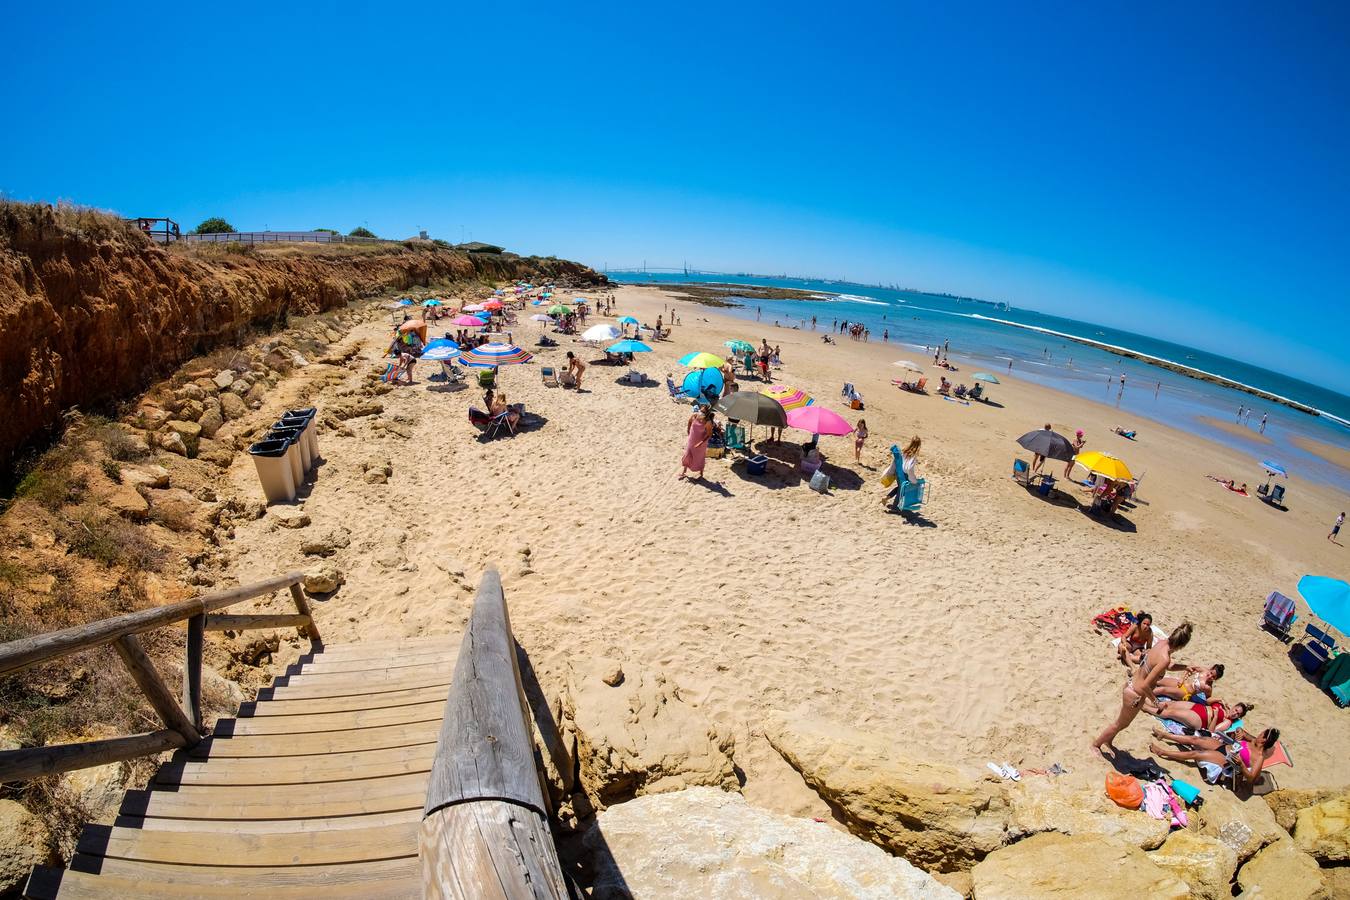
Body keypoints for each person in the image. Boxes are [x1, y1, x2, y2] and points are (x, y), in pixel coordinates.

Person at [1091, 622, 1193, 758]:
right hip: (1135, 694)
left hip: (1131, 685)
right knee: (1120, 723)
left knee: (1122, 723)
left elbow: (1166, 665)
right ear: (1182, 645)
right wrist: (1156, 702)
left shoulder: (1161, 643)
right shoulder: (1165, 657)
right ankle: (1096, 744)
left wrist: (1185, 667)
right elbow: (1146, 685)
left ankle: (1108, 741)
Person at [1150, 726, 1280, 787]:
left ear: (1263, 740)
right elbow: (1242, 731)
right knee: (1195, 739)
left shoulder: (1259, 757)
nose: (1258, 735)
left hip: (1226, 760)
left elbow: (1252, 778)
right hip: (1224, 746)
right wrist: (1239, 731)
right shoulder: (1253, 740)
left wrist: (1241, 765)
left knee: (1195, 754)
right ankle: (1164, 735)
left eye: (1261, 734)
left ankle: (1163, 752)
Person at [1147, 698, 1250, 733]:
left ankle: (1145, 707)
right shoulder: (1224, 707)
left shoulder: (1227, 722)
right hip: (1198, 707)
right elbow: (1207, 701)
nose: (1235, 713)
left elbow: (1211, 731)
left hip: (1200, 719)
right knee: (1171, 704)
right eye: (1236, 710)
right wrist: (1218, 699)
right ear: (1234, 706)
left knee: (1172, 713)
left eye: (1238, 714)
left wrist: (1215, 716)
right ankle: (1148, 702)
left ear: (1238, 717)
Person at [1155, 664, 1224, 702]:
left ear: (1216, 679)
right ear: (1210, 669)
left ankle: (1145, 692)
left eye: (1213, 677)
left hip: (1184, 693)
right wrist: (1182, 678)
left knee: (1163, 690)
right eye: (1211, 673)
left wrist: (1218, 700)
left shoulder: (1208, 687)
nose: (1210, 676)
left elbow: (1208, 699)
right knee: (1158, 681)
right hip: (1181, 683)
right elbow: (1189, 668)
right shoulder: (1203, 670)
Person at [679, 405, 714, 481]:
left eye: (703, 412)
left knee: (699, 458)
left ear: (707, 413)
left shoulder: (708, 422)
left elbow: (709, 435)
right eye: (700, 410)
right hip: (691, 440)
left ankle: (701, 474)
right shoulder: (694, 416)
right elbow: (689, 422)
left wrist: (700, 443)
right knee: (687, 455)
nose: (701, 412)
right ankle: (684, 471)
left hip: (701, 443)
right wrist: (688, 431)